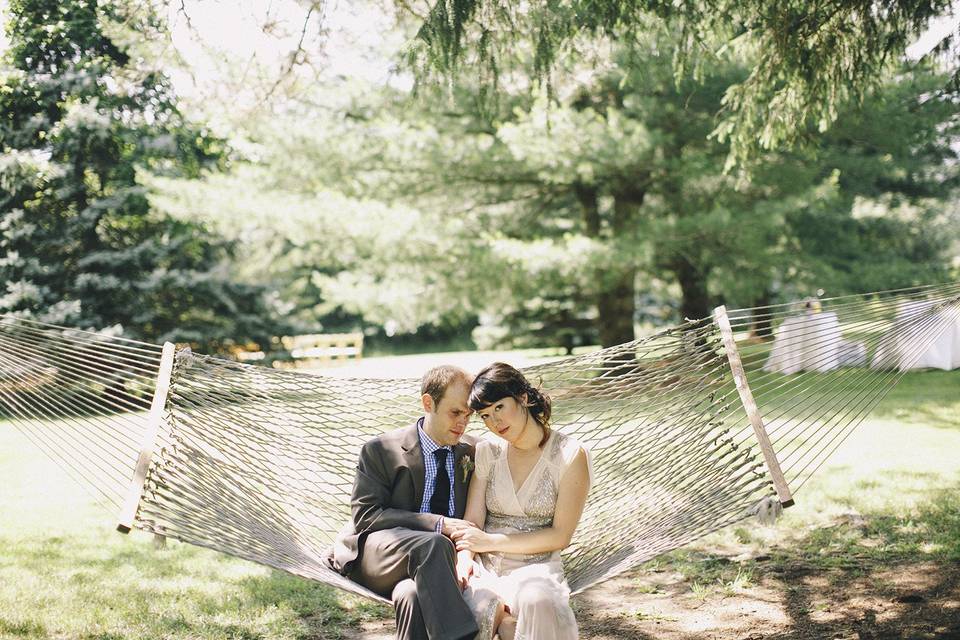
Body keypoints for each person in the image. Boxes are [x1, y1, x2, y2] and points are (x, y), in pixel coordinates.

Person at [329, 365, 480, 640]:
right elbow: (366, 516)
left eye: (468, 415)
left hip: (434, 569)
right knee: (434, 543)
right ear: (428, 402)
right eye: (455, 412)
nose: (463, 422)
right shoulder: (381, 450)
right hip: (379, 556)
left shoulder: (473, 451)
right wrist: (438, 524)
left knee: (409, 593)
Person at [453, 362, 591, 640]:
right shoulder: (488, 451)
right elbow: (473, 521)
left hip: (536, 565)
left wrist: (489, 541)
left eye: (499, 408)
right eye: (485, 416)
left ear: (524, 398)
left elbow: (560, 536)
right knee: (475, 606)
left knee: (536, 599)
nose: (494, 422)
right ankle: (504, 624)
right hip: (486, 564)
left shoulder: (569, 455)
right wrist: (465, 558)